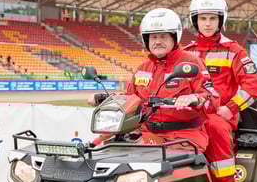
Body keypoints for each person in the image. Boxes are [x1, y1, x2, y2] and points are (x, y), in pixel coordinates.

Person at [88, 8, 217, 153]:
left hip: (184, 137)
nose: (157, 42)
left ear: (174, 38)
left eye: (163, 37)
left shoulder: (191, 63)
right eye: (153, 37)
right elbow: (131, 99)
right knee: (105, 154)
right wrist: (103, 98)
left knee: (161, 168)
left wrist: (195, 98)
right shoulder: (143, 68)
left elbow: (213, 101)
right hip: (149, 134)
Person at [183, 0, 257, 182]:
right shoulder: (186, 52)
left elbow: (254, 87)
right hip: (190, 111)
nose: (207, 24)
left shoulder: (233, 51)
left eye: (212, 18)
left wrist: (231, 108)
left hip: (219, 113)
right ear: (195, 21)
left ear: (220, 20)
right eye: (202, 18)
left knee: (215, 128)